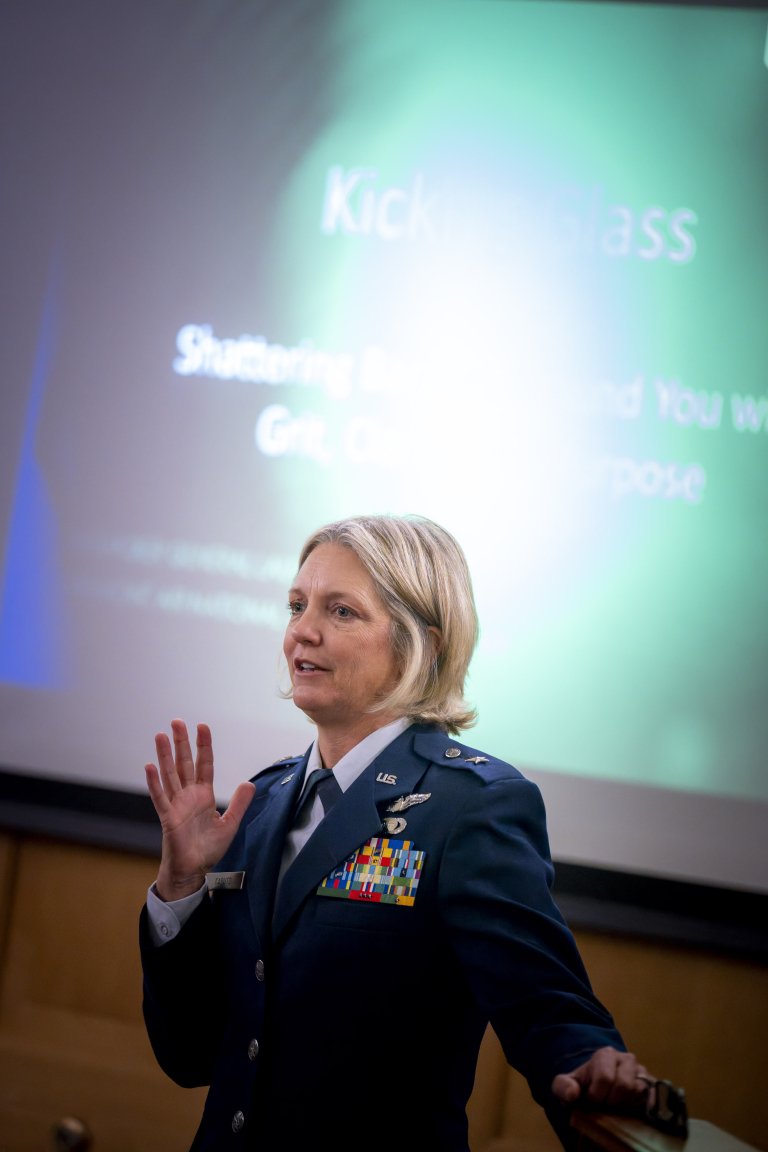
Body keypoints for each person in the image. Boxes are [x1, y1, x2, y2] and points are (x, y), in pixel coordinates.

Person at [140, 513, 654, 1152]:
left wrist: (591, 1064)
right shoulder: (261, 802)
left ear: (423, 645)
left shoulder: (473, 807)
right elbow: (190, 1055)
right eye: (297, 605)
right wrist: (181, 885)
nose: (302, 630)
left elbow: (545, 1004)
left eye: (342, 612)